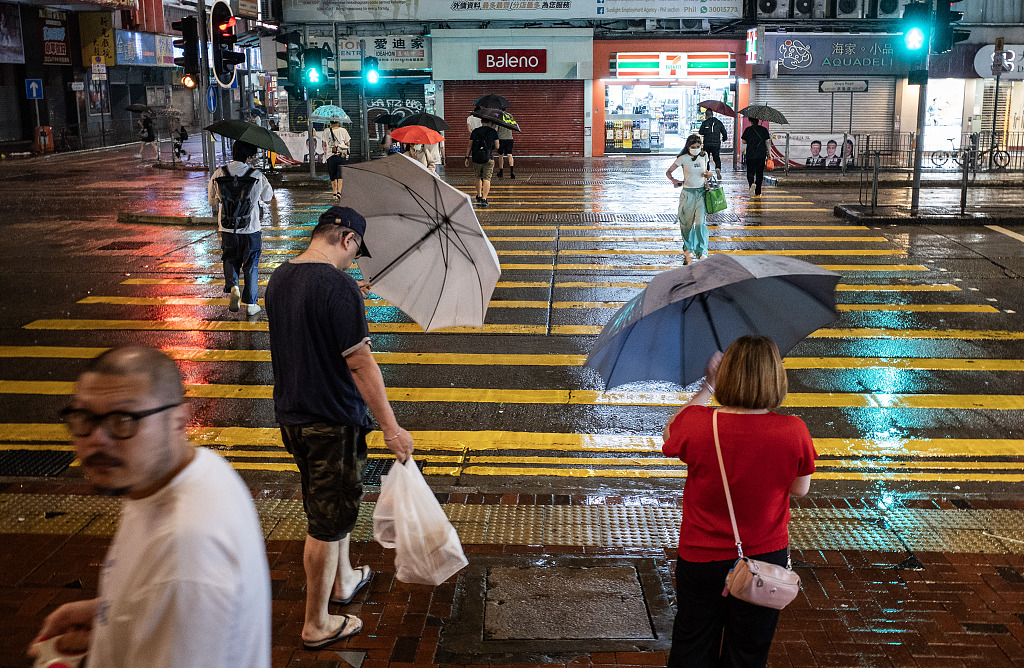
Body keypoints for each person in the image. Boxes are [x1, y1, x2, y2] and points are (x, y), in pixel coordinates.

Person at [29, 346, 271, 667]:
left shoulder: (186, 555)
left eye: (123, 420)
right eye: (84, 417)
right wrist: (112, 616)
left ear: (178, 421)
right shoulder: (185, 471)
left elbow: (178, 589)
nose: (97, 439)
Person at [265, 206, 415, 651]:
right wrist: (391, 428)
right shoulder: (337, 286)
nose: (355, 260)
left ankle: (344, 579)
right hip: (330, 419)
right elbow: (359, 362)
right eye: (356, 251)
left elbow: (310, 327)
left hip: (292, 414)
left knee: (331, 503)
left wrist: (351, 293)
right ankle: (317, 623)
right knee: (326, 522)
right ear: (347, 238)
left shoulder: (281, 276)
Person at [662, 336, 816, 668]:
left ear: (728, 375)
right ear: (775, 377)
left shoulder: (699, 425)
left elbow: (670, 432)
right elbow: (800, 489)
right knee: (748, 650)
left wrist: (708, 386)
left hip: (700, 556)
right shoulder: (793, 431)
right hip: (764, 559)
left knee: (691, 643)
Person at [207, 140, 274, 317]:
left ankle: (234, 286)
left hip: (227, 228)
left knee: (229, 258)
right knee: (251, 264)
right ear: (248, 156)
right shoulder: (256, 175)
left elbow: (212, 200)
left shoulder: (219, 173)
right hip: (251, 228)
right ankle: (252, 304)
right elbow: (268, 197)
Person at [666, 134, 713, 265]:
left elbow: (707, 171)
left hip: (701, 193)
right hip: (687, 195)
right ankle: (688, 250)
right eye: (693, 147)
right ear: (688, 147)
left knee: (700, 224)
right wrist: (674, 181)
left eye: (698, 147)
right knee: (686, 225)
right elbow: (668, 172)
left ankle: (702, 251)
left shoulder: (704, 156)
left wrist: (709, 174)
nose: (696, 149)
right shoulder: (683, 158)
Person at [466, 119, 500, 207]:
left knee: (478, 177)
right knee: (487, 178)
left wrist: (467, 157)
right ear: (490, 123)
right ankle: (484, 199)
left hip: (476, 157)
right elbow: (497, 146)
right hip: (488, 157)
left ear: (481, 121)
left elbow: (470, 145)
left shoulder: (475, 131)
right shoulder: (493, 132)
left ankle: (479, 195)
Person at [320, 119, 351, 199]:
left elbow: (324, 144)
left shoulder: (326, 131)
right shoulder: (343, 130)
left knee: (332, 175)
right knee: (340, 174)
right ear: (338, 122)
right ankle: (339, 192)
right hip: (341, 155)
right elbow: (348, 143)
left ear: (330, 123)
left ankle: (334, 193)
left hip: (330, 156)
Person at [741, 118, 771, 198]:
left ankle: (751, 184)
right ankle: (758, 191)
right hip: (761, 154)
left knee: (750, 172)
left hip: (751, 154)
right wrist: (770, 154)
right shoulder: (764, 130)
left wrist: (750, 140)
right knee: (759, 173)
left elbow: (743, 141)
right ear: (758, 121)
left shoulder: (748, 129)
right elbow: (767, 142)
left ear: (750, 121)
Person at [698, 108, 728, 180]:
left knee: (706, 158)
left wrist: (706, 132)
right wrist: (724, 139)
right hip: (716, 144)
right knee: (716, 157)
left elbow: (700, 132)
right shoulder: (719, 122)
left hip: (707, 144)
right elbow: (724, 132)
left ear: (706, 115)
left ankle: (707, 172)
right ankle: (717, 168)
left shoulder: (705, 123)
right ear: (712, 114)